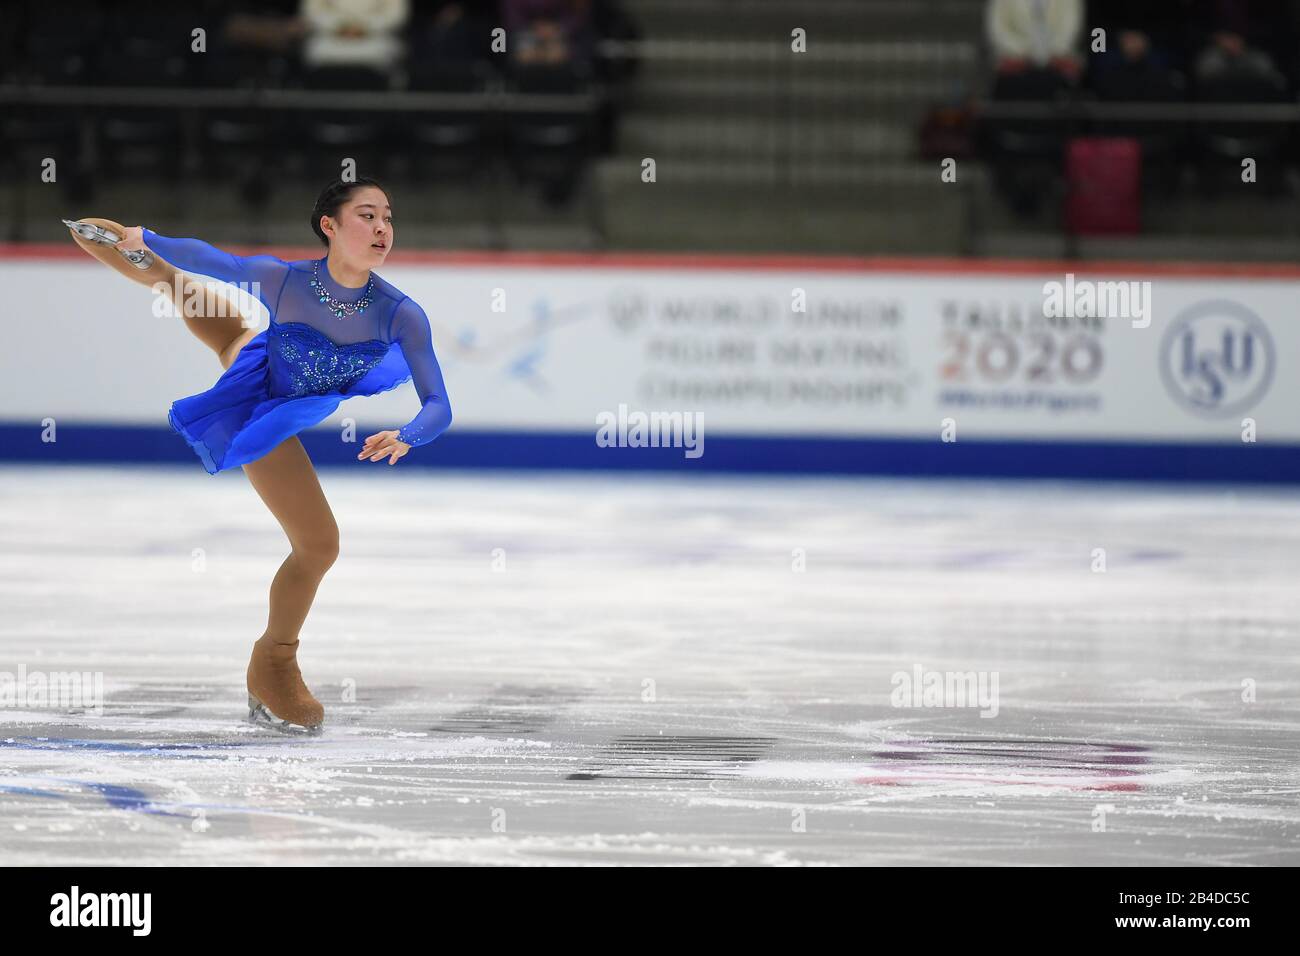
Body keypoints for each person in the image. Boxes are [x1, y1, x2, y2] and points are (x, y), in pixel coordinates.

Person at [66, 177, 453, 733]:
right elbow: (215, 259)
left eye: (387, 218)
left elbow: (438, 403)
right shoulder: (285, 280)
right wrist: (142, 235)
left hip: (261, 356)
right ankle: (274, 660)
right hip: (261, 401)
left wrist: (410, 434)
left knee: (212, 321)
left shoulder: (400, 314)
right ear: (330, 226)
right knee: (319, 545)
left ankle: (163, 279)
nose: (382, 229)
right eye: (367, 216)